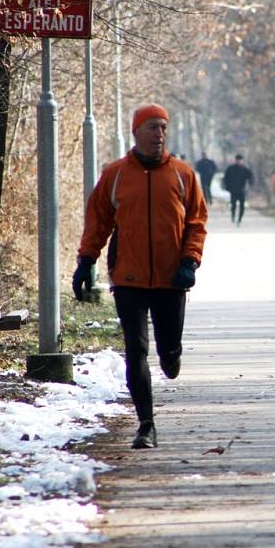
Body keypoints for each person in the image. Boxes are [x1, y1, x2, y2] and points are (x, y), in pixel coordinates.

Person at [72, 103, 208, 450]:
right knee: (136, 349)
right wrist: (87, 260)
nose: (159, 134)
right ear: (136, 133)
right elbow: (98, 220)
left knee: (168, 351)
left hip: (171, 278)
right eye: (152, 128)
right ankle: (146, 425)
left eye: (163, 127)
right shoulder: (116, 174)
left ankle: (172, 354)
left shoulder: (183, 174)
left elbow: (196, 222)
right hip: (129, 277)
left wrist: (190, 261)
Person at [223, 153, 254, 224]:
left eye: (240, 160)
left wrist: (251, 183)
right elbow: (226, 178)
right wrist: (227, 187)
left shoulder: (245, 169)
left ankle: (240, 219)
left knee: (242, 205)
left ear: (242, 161)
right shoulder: (230, 169)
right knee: (233, 205)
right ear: (235, 160)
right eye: (237, 160)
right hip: (233, 190)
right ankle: (233, 216)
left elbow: (251, 176)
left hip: (242, 190)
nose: (239, 161)